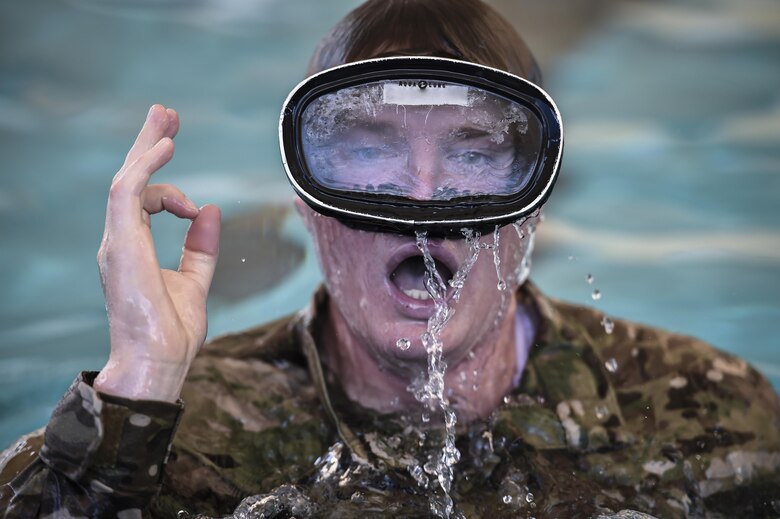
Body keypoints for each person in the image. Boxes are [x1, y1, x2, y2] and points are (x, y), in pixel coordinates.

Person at [2, 0, 779, 517]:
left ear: (535, 203)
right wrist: (139, 378)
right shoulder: (175, 430)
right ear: (307, 203)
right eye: (368, 154)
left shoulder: (704, 413)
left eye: (475, 155)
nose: (421, 201)